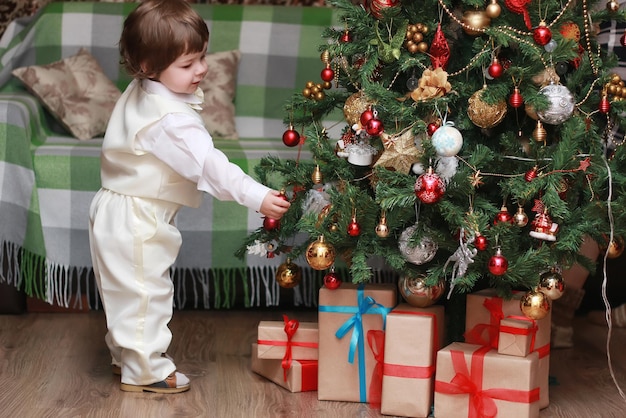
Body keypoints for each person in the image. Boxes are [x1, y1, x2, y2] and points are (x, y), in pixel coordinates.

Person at [88, 0, 290, 394]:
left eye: (202, 57)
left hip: (115, 207)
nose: (201, 69)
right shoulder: (171, 121)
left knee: (125, 292)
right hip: (137, 216)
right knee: (147, 294)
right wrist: (257, 195)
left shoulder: (144, 88)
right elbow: (209, 166)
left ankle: (128, 359)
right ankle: (146, 370)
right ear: (149, 67)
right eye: (187, 64)